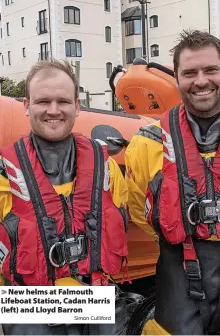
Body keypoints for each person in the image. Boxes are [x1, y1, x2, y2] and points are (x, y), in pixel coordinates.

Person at [125, 30, 220, 335]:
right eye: (189, 72)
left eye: (210, 70)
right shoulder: (145, 146)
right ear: (177, 79)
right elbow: (139, 212)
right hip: (177, 285)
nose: (200, 81)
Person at [0, 60, 130, 335]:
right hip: (30, 311)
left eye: (63, 101)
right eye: (43, 101)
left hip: (97, 304)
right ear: (26, 106)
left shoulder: (105, 167)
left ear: (78, 106)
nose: (54, 110)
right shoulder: (4, 177)